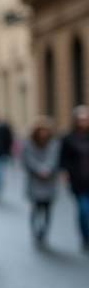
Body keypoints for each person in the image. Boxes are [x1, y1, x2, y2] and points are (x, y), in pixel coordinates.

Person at [23, 116, 60, 245]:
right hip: (35, 180)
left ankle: (44, 231)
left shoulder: (53, 143)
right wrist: (38, 169)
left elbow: (54, 158)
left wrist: (47, 169)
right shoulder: (29, 143)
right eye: (41, 130)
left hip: (48, 181)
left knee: (47, 208)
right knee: (36, 207)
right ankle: (34, 231)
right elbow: (27, 159)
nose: (43, 133)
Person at [60, 105, 89, 252]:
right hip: (79, 180)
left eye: (86, 119)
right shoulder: (68, 138)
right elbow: (63, 158)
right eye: (81, 119)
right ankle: (86, 237)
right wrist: (64, 172)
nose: (83, 121)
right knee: (84, 210)